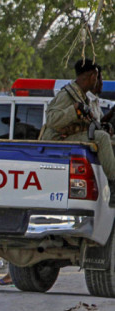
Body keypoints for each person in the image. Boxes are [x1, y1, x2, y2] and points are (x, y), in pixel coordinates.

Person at [40, 58, 115, 205]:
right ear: (93, 76)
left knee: (107, 138)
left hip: (70, 138)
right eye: (96, 77)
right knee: (101, 138)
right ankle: (113, 183)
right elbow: (52, 120)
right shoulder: (68, 95)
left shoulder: (81, 96)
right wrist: (73, 110)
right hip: (56, 142)